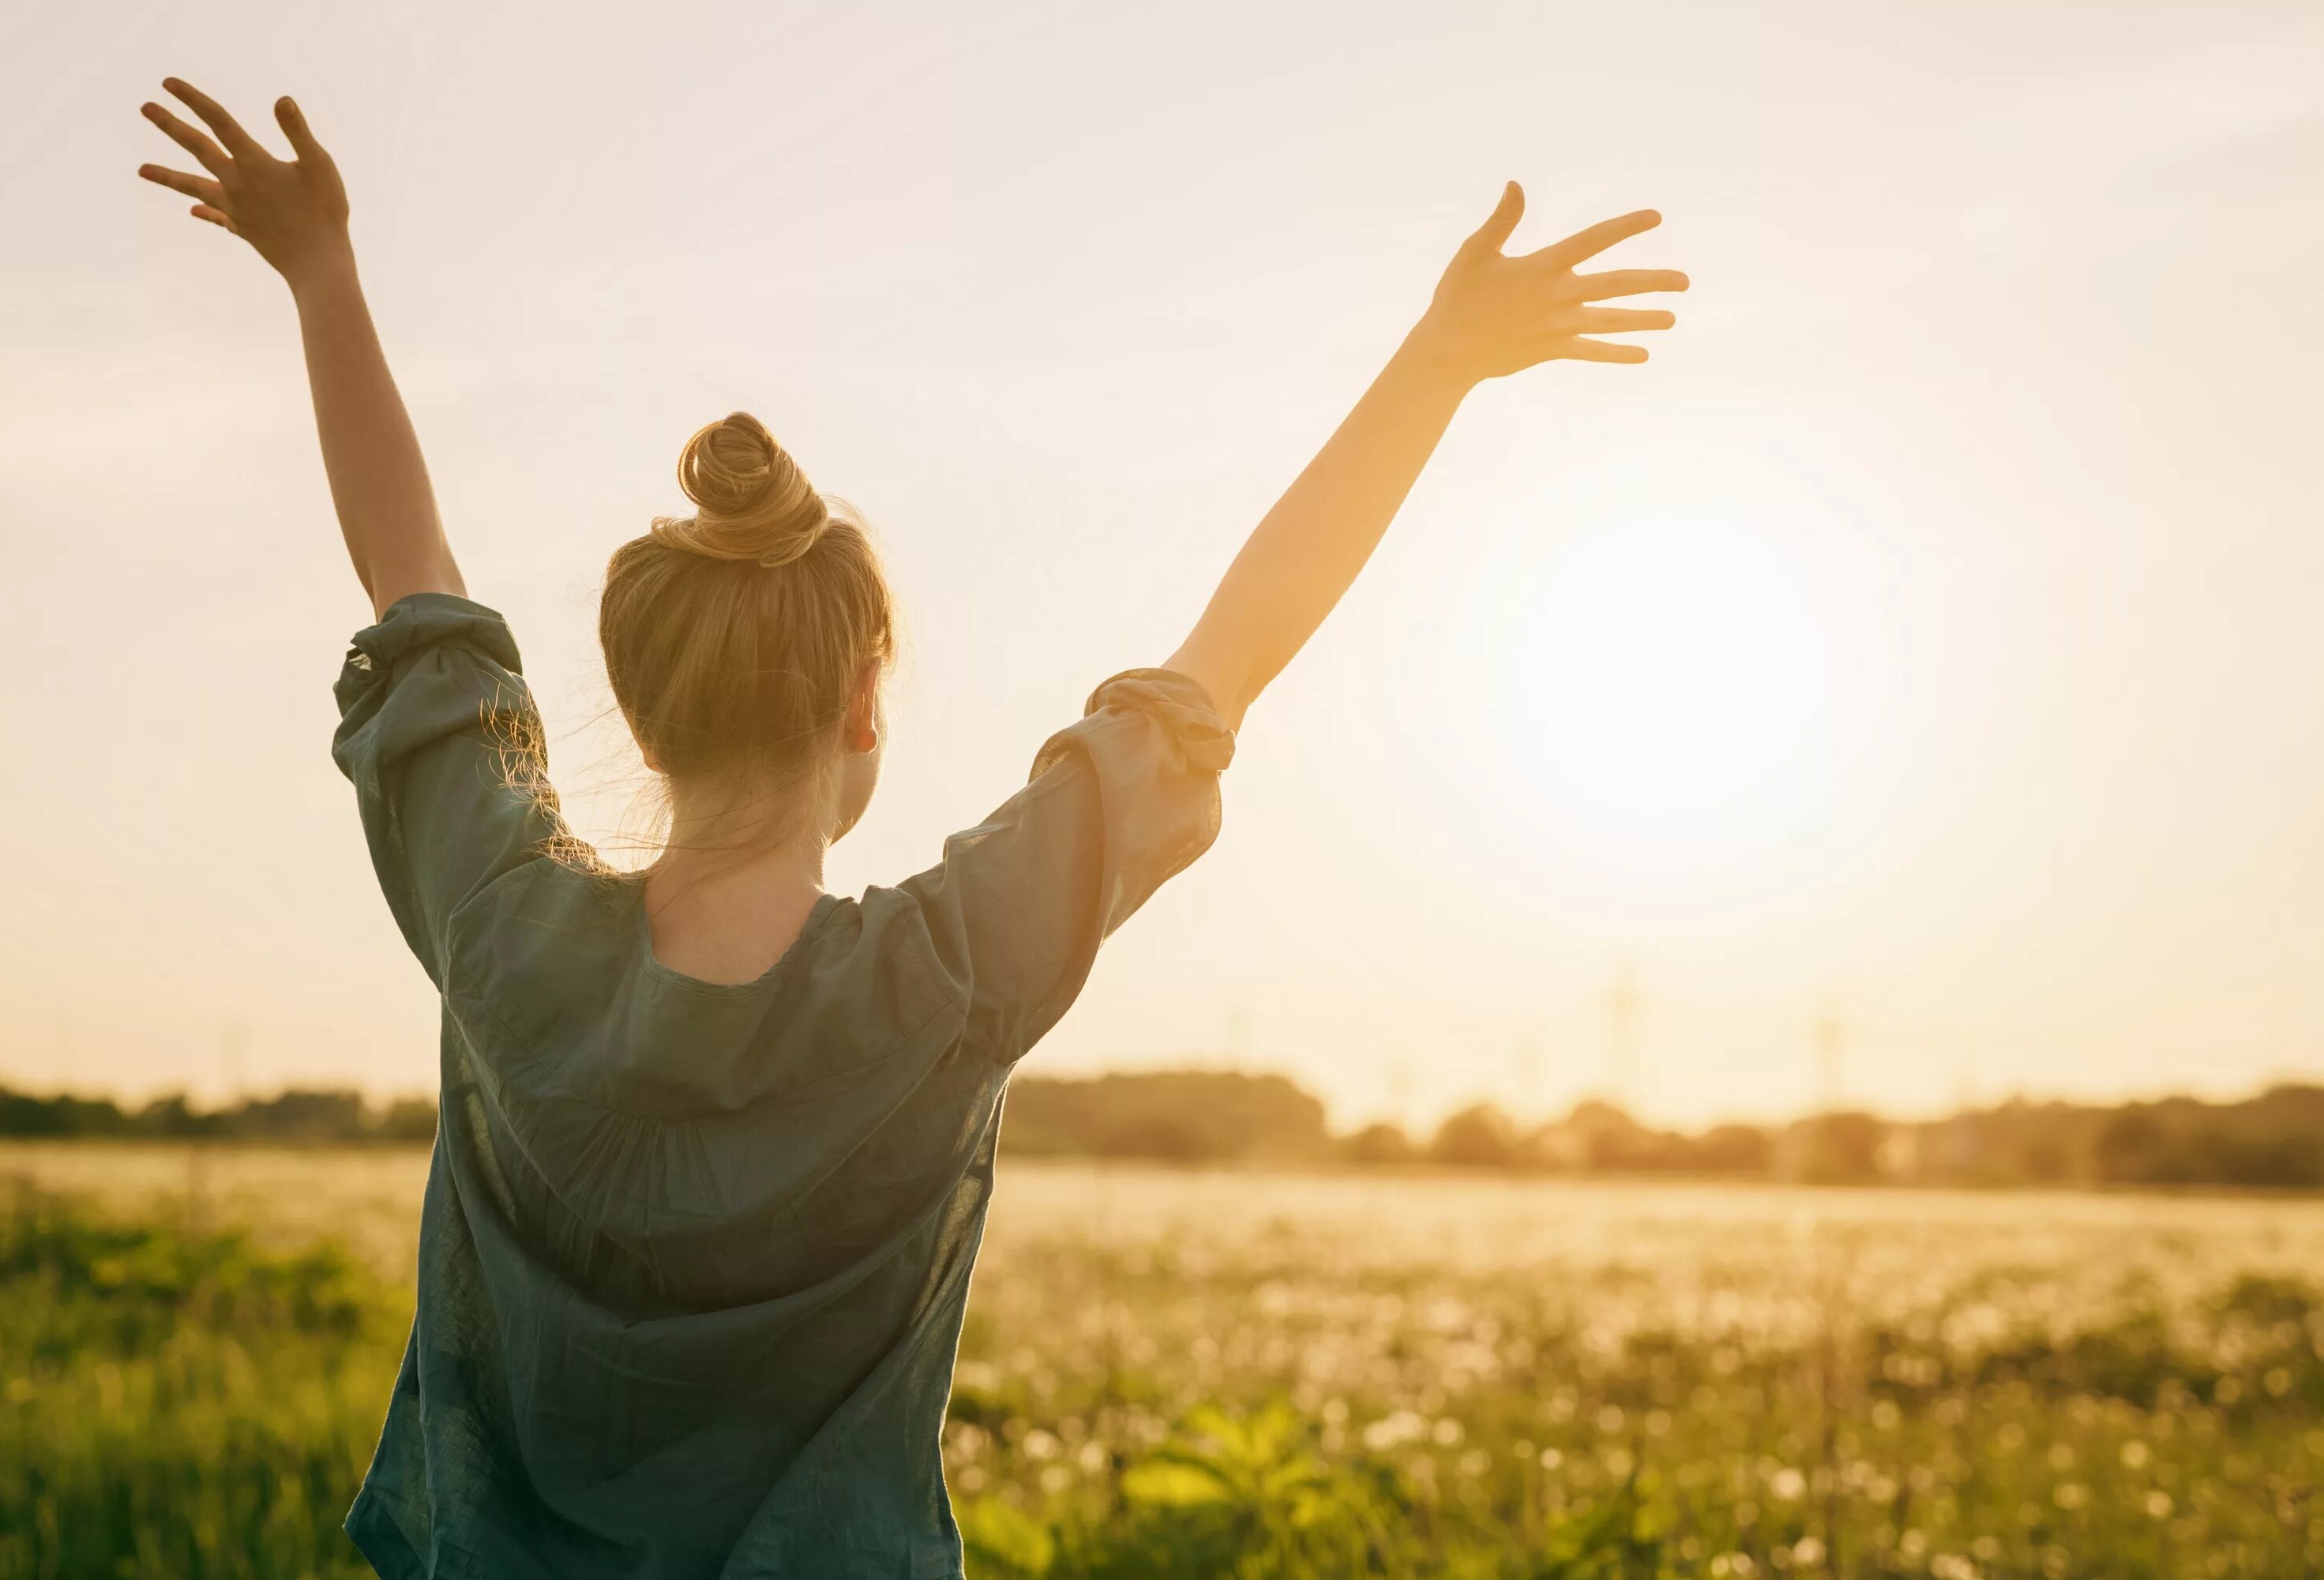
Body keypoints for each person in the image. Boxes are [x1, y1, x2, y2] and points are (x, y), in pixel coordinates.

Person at [137, 75, 1687, 1580]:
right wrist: (1438, 362)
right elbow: (1229, 655)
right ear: (863, 709)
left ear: (642, 702)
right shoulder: (944, 975)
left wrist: (321, 269)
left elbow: (416, 593)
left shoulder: (497, 921)